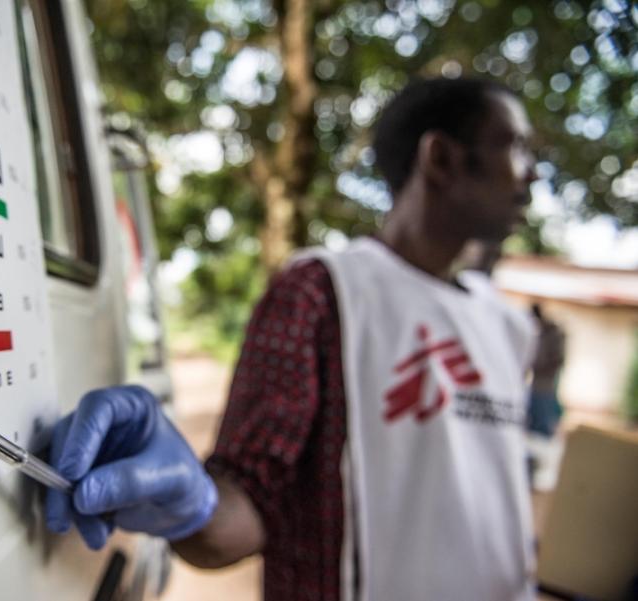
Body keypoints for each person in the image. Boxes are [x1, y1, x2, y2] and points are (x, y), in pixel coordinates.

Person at [45, 77, 540, 601]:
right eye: (514, 146)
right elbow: (249, 510)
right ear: (440, 158)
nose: (531, 173)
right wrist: (194, 505)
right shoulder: (323, 292)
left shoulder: (507, 325)